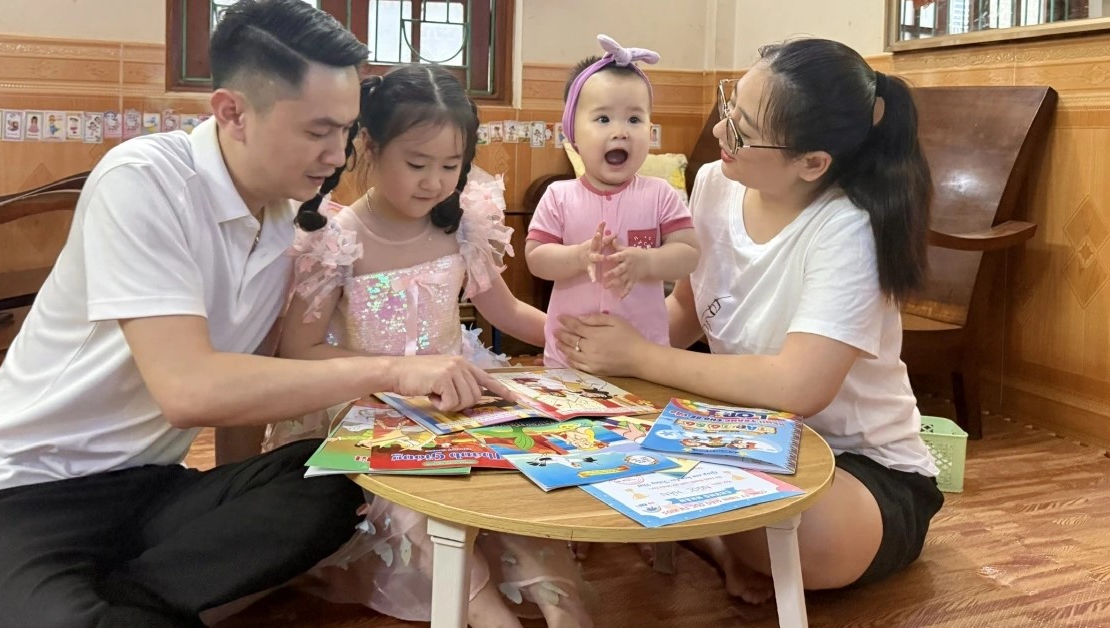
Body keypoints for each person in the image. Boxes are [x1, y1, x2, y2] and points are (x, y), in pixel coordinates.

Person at [0, 0, 509, 628]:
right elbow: (190, 390)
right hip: (16, 498)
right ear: (232, 112)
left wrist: (232, 506)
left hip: (151, 491)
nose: (338, 155)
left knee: (336, 483)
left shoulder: (292, 220)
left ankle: (108, 602)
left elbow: (250, 382)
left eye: (345, 131)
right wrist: (395, 370)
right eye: (317, 132)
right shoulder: (144, 179)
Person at [556, 37, 944, 601]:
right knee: (598, 443)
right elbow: (688, 309)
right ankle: (726, 546)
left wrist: (639, 356)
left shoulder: (849, 227)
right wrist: (600, 364)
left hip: (858, 469)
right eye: (728, 106)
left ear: (812, 163)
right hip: (743, 435)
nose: (720, 131)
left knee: (793, 530)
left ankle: (718, 542)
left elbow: (798, 386)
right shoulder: (716, 183)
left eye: (740, 129)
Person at [264, 64, 592, 628]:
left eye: (450, 165)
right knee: (420, 507)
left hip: (459, 398)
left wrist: (572, 336)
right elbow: (300, 350)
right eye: (417, 164)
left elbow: (506, 310)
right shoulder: (337, 239)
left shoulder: (463, 225)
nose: (435, 182)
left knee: (514, 480)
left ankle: (564, 609)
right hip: (366, 406)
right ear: (369, 147)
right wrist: (396, 371)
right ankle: (485, 613)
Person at [525, 34, 700, 369]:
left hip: (643, 358)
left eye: (634, 119)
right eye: (603, 119)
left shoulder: (659, 194)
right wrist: (576, 256)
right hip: (568, 357)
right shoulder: (559, 196)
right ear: (572, 133)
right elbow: (536, 258)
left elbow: (688, 255)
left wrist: (647, 262)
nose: (621, 131)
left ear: (650, 130)